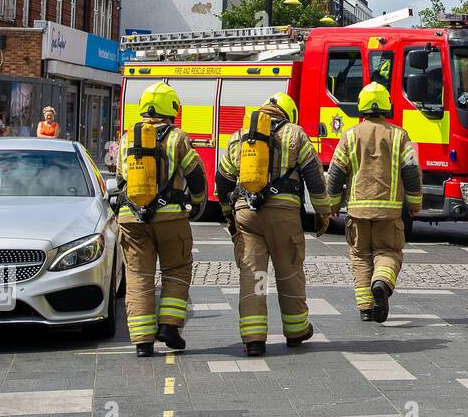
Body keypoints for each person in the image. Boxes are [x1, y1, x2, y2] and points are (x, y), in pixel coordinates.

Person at [213, 92, 332, 356]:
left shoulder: (240, 136)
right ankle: (296, 330)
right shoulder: (296, 135)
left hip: (247, 215)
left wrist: (228, 213)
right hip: (283, 216)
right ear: (288, 113)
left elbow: (222, 180)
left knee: (254, 275)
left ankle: (254, 338)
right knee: (289, 271)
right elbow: (314, 179)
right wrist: (323, 213)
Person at [116, 82, 207, 357]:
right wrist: (199, 202)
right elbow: (195, 176)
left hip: (131, 219)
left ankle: (142, 342)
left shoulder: (126, 138)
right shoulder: (178, 138)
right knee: (176, 270)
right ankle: (169, 326)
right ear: (172, 109)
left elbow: (121, 178)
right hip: (170, 218)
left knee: (138, 276)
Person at [326, 81, 421, 322]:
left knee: (360, 257)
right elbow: (410, 171)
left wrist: (333, 205)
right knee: (388, 252)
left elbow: (336, 173)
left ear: (361, 106)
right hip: (388, 215)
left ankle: (366, 309)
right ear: (386, 106)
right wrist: (414, 203)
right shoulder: (399, 135)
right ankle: (381, 282)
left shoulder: (349, 136)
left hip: (358, 212)